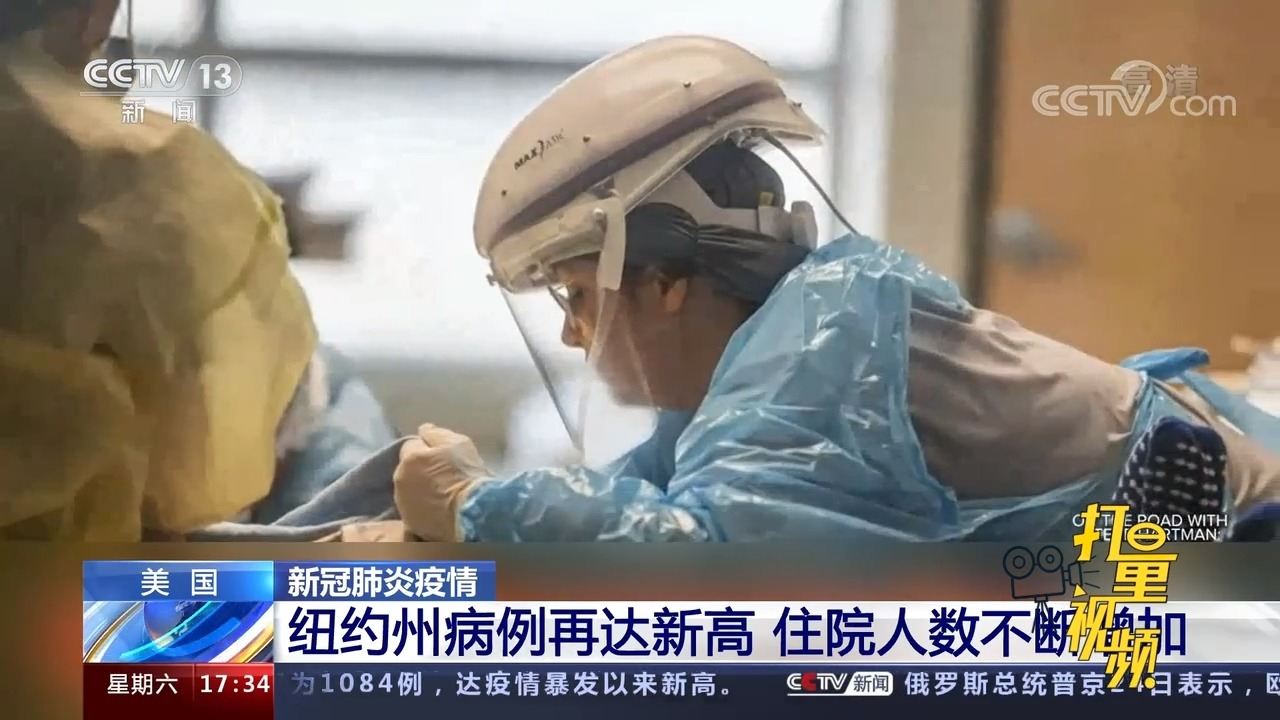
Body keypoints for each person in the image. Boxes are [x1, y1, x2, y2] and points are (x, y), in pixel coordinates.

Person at [389, 35, 1280, 543]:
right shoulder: (777, 348)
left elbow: (701, 556)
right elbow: (656, 490)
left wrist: (479, 507)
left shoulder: (821, 340)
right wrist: (490, 499)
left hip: (1235, 545)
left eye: (577, 297)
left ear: (660, 282)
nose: (572, 336)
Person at [0, 0, 319, 539]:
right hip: (68, 567)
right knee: (337, 403)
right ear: (97, 13)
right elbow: (201, 477)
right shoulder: (151, 168)